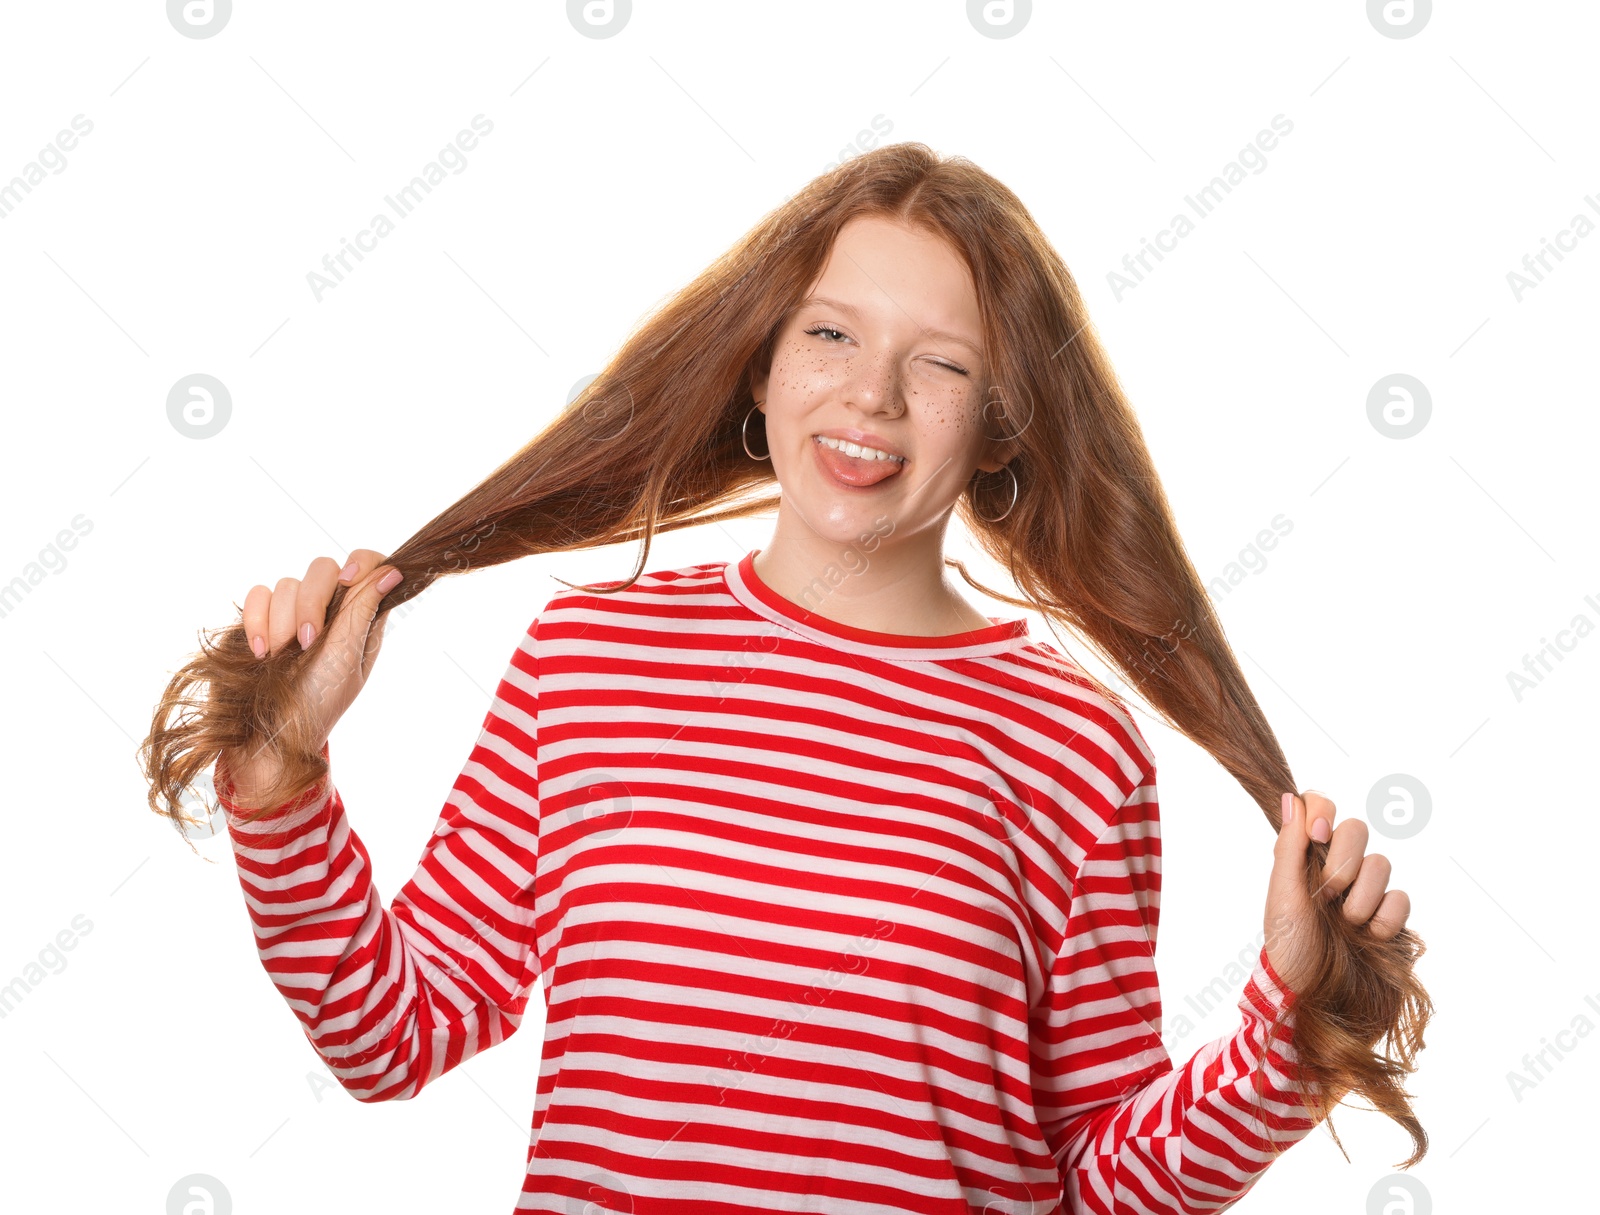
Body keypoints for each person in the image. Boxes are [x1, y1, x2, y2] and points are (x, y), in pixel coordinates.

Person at [145, 143, 1429, 1213]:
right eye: (829, 333)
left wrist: (1289, 1028)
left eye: (943, 362)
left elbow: (1101, 1178)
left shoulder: (1071, 748)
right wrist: (280, 780)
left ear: (998, 426)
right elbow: (387, 1034)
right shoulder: (587, 662)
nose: (869, 395)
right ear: (759, 370)